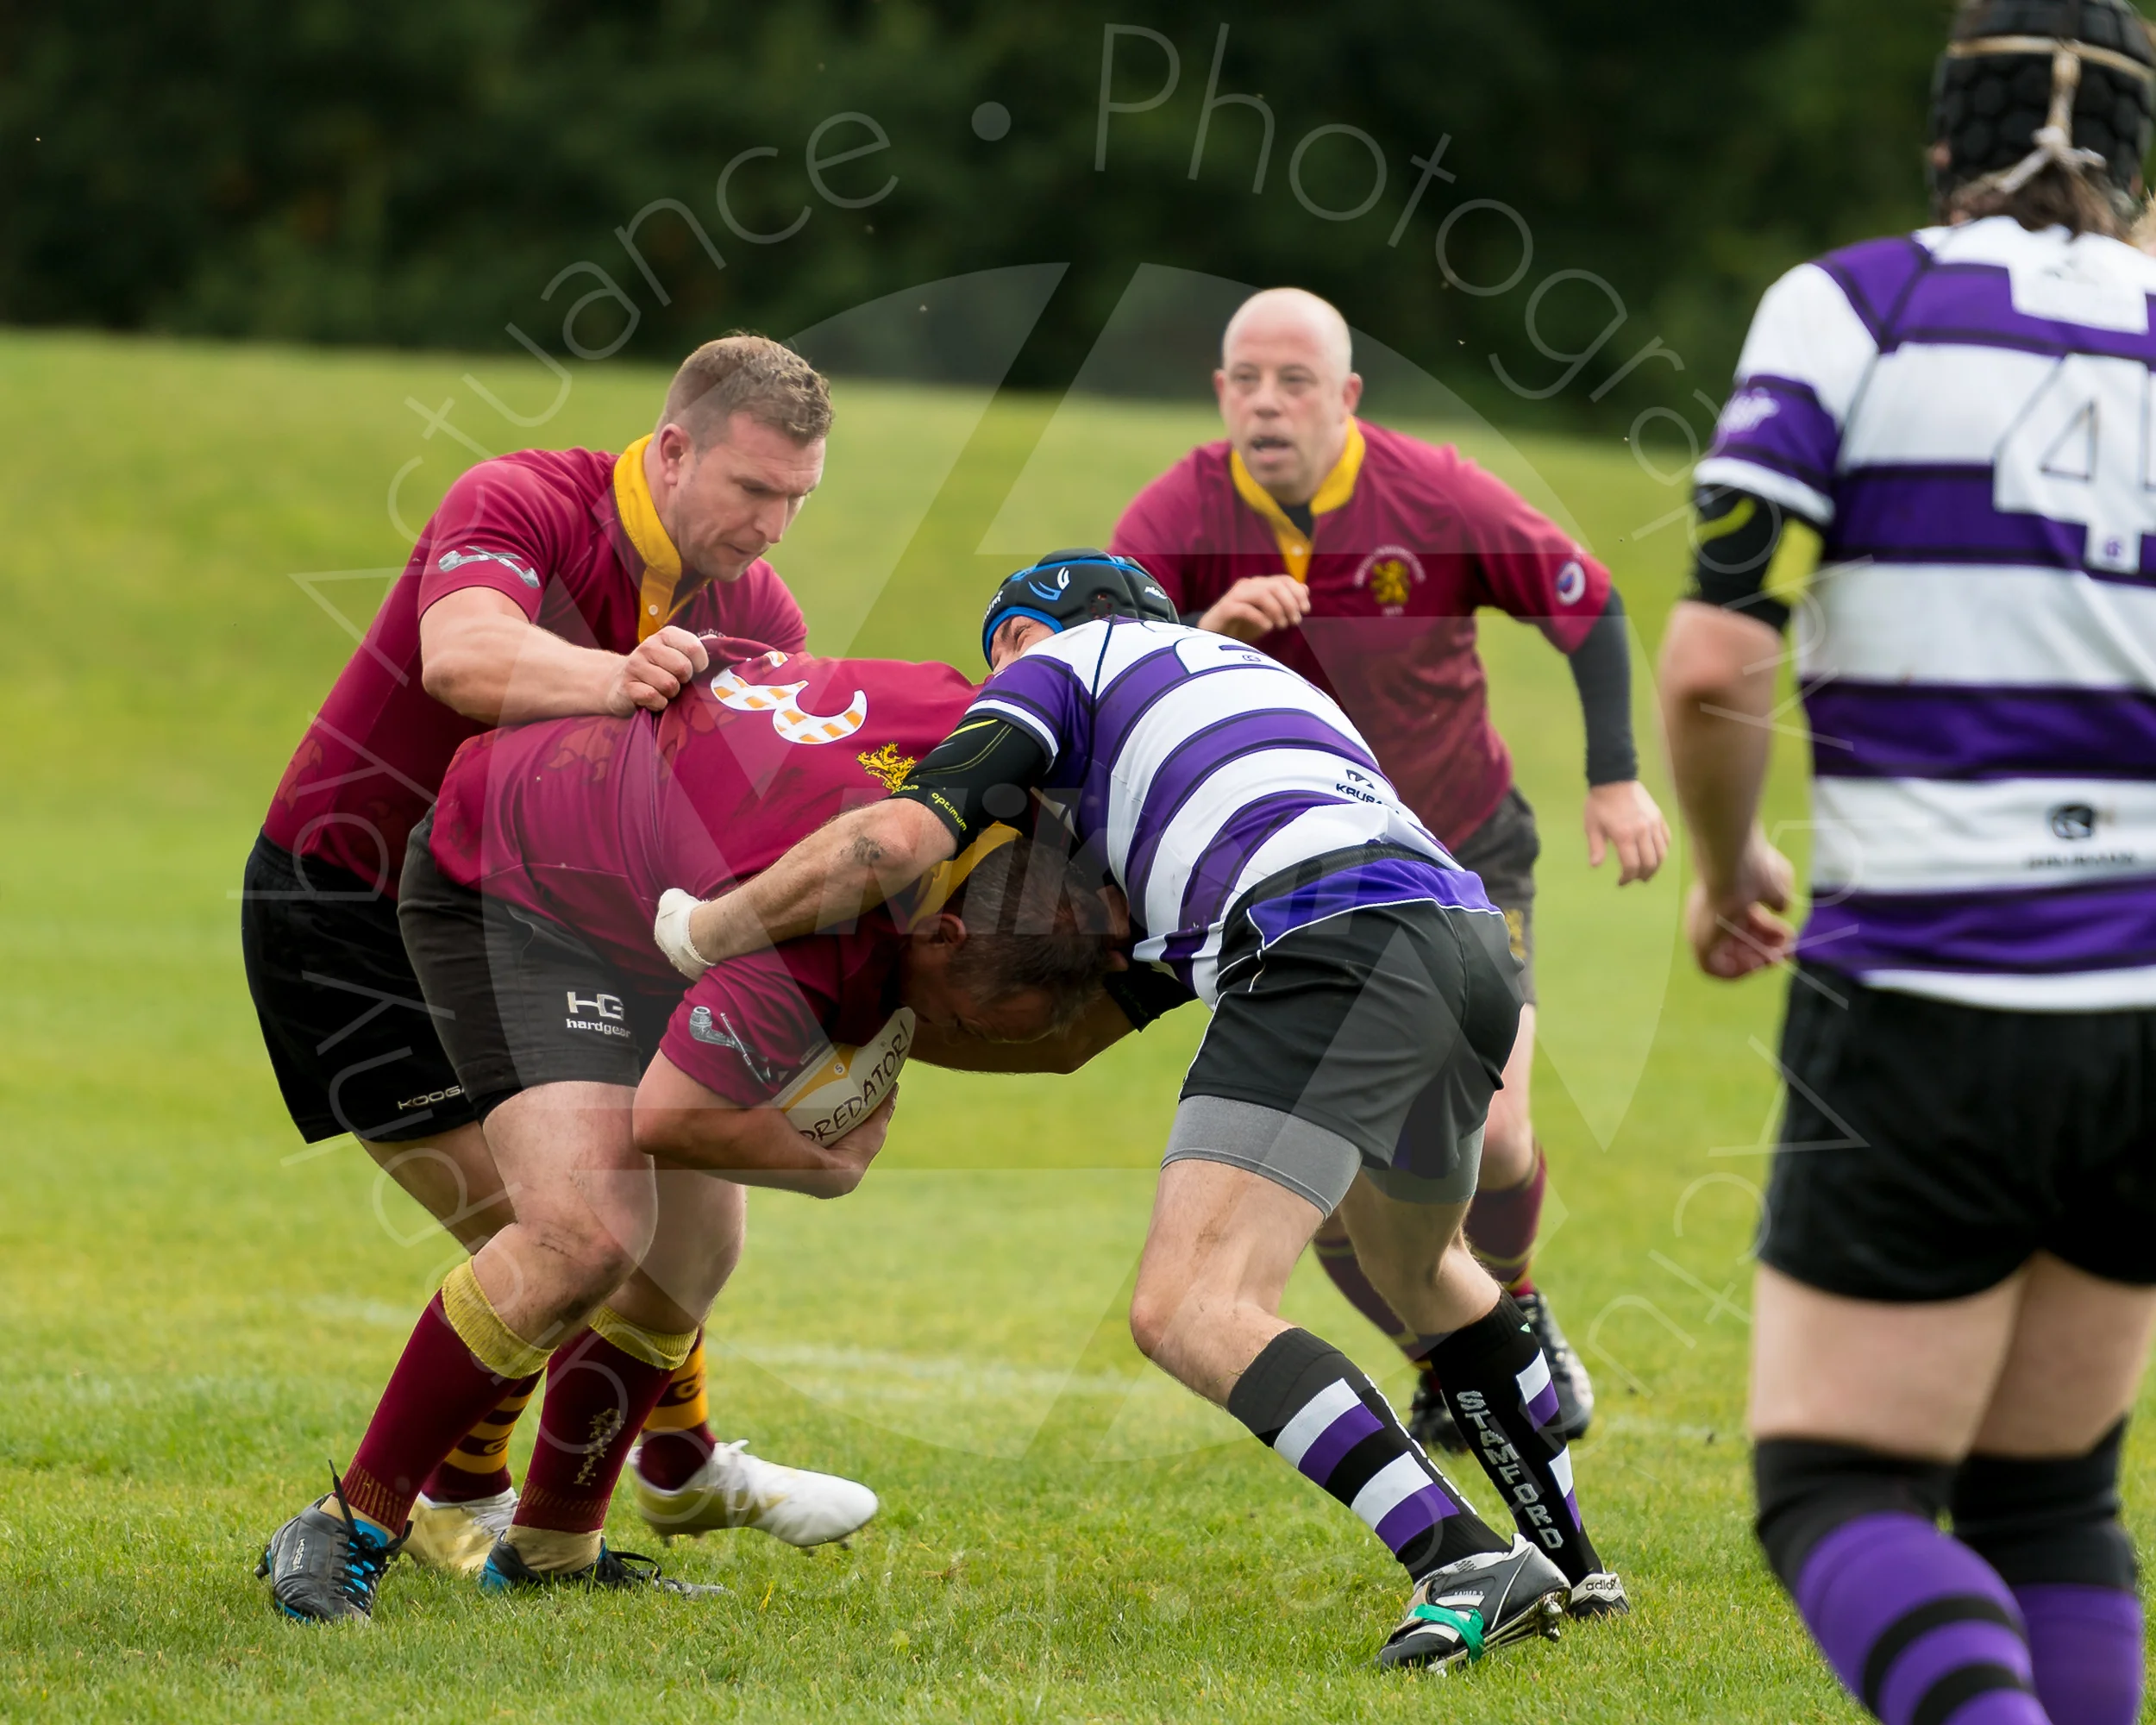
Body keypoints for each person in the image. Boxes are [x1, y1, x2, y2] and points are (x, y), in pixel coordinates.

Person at [663, 551, 1627, 1672]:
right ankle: (1573, 1563)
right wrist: (905, 1040)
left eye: (996, 660)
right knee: (1425, 1268)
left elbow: (891, 840)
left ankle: (1459, 1554)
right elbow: (1087, 1030)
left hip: (1323, 947)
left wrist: (705, 933)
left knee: (1191, 1305)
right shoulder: (1240, 698)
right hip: (1462, 947)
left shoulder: (1060, 665)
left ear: (1025, 636)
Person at [1661, 8, 2156, 1722]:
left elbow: (1717, 662)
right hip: (2143, 1005)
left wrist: (1726, 868)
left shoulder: (1853, 306)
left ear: (1941, 139)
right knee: (2047, 1492)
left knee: (1834, 1487)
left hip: (1932, 985)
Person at [257, 638, 1120, 1619]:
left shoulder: (980, 740)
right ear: (940, 931)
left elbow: (787, 684)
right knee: (586, 1233)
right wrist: (827, 1163)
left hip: (645, 873)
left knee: (697, 1247)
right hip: (510, 881)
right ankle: (346, 1520)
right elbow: (673, 1118)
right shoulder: (811, 939)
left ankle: (550, 1550)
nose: (941, 1039)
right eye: (959, 1019)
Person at [239, 335, 858, 1566]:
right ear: (674, 450)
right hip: (351, 904)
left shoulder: (755, 604)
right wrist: (616, 675)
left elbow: (748, 805)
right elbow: (463, 658)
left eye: (800, 498)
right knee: (560, 1237)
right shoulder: (523, 498)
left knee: (683, 1236)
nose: (776, 526)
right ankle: (449, 1505)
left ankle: (574, 1521)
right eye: (754, 490)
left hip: (554, 924)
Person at [1111, 288, 1670, 1449]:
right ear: (1219, 394)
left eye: (1295, 380)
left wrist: (1614, 775)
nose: (1268, 402)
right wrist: (1207, 630)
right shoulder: (1180, 508)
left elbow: (1587, 600)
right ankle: (1448, 1357)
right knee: (1335, 1194)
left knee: (1500, 1140)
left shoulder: (1436, 491)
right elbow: (1105, 672)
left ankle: (1506, 1315)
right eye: (1246, 380)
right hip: (1290, 894)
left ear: (1347, 395)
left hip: (1460, 858)